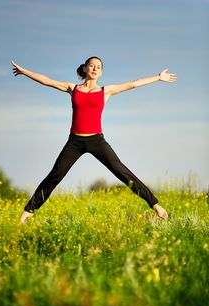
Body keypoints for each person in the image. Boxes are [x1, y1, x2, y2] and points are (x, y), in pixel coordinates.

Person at [12, 57, 177, 223]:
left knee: (122, 172)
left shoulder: (106, 91)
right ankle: (28, 211)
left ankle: (155, 205)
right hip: (75, 142)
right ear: (84, 68)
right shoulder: (73, 88)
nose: (95, 68)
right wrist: (24, 71)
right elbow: (47, 81)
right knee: (55, 175)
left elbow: (133, 83)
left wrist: (158, 77)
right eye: (92, 65)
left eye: (98, 67)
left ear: (101, 72)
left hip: (97, 141)